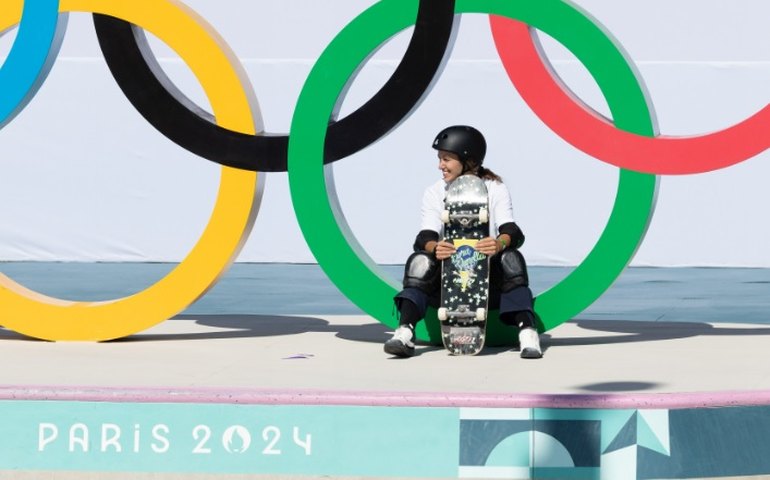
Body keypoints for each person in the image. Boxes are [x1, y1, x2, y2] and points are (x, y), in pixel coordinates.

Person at [384, 125, 542, 358]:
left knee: (511, 258)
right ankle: (405, 332)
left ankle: (527, 333)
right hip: (447, 284)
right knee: (420, 261)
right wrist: (435, 248)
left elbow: (512, 231)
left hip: (487, 285)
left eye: (446, 159)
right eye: (440, 159)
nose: (440, 166)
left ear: (467, 160)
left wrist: (499, 244)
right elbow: (424, 238)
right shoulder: (435, 191)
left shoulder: (495, 188)